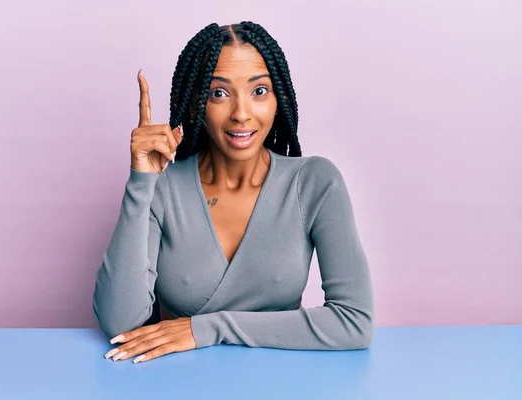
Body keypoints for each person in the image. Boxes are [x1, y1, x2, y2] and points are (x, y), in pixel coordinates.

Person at [93, 21, 374, 364]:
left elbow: (354, 322)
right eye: (219, 93)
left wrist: (207, 328)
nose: (241, 113)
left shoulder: (315, 182)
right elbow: (120, 322)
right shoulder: (163, 187)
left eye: (259, 91)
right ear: (197, 105)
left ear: (277, 99)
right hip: (177, 384)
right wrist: (141, 180)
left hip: (283, 379)